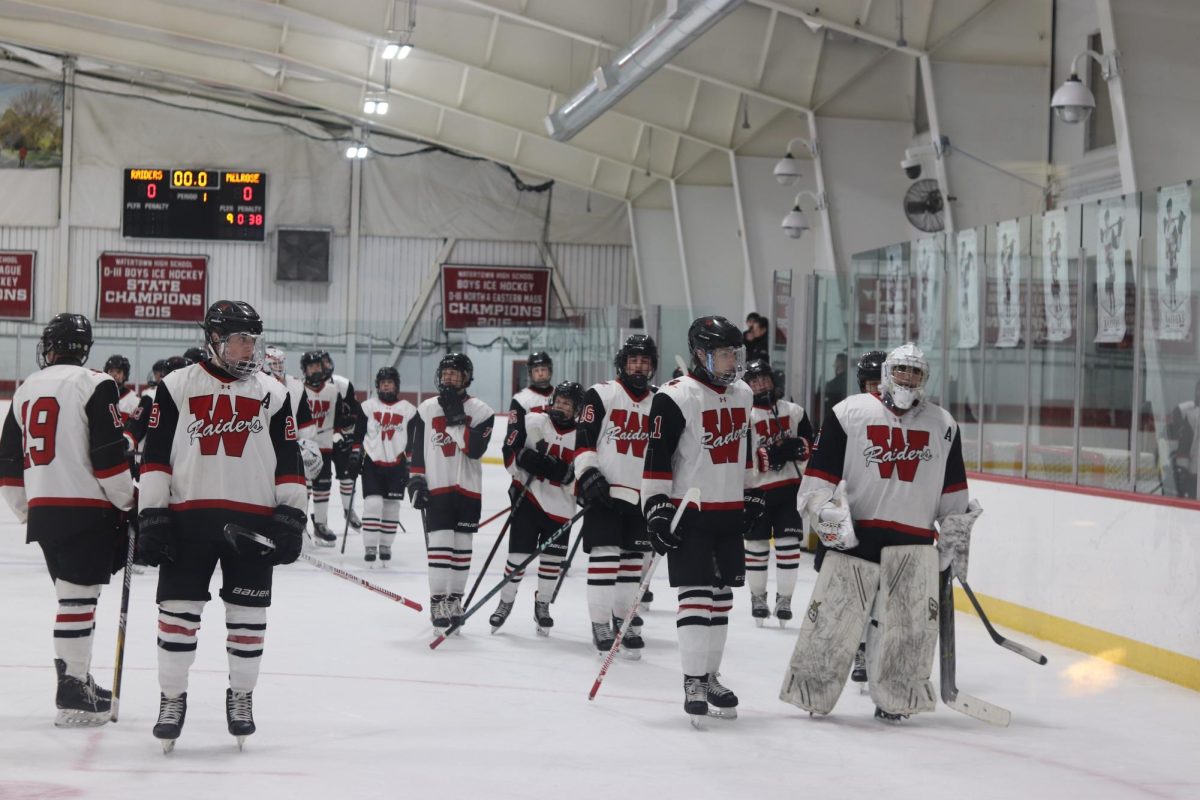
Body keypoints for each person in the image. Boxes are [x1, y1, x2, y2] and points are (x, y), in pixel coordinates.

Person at [136, 300, 305, 751]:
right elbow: (154, 457)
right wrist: (152, 514)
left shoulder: (273, 392)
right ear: (214, 339)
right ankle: (171, 699)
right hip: (188, 520)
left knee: (249, 620)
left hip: (253, 523)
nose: (248, 347)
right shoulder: (176, 386)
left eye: (253, 337)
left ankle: (243, 697)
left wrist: (290, 514)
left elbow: (289, 462)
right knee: (177, 616)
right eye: (239, 338)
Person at [780, 342, 975, 723]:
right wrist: (827, 517)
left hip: (914, 542)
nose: (908, 379)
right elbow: (817, 481)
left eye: (915, 373)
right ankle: (813, 689)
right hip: (858, 537)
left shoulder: (944, 425)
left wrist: (952, 541)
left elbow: (954, 494)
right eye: (901, 370)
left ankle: (896, 697)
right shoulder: (849, 412)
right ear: (887, 372)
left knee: (904, 629)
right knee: (834, 620)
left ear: (925, 378)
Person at [0, 313, 135, 727]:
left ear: (50, 346)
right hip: (85, 509)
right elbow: (109, 456)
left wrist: (29, 512)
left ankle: (75, 675)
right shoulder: (95, 383)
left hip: (45, 512)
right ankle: (72, 684)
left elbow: (7, 466)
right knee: (78, 599)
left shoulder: (25, 390)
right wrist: (129, 500)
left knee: (75, 598)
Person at [642, 316, 751, 724]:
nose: (731, 361)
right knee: (696, 595)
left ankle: (710, 676)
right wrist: (655, 509)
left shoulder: (742, 394)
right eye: (723, 353)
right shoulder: (675, 396)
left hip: (729, 512)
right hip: (691, 512)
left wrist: (752, 494)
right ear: (702, 354)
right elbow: (657, 459)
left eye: (733, 353)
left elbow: (746, 450)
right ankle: (692, 680)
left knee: (721, 598)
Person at [574, 334, 658, 656]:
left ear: (651, 366)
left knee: (632, 564)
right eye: (633, 360)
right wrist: (589, 473)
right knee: (605, 559)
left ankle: (623, 618)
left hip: (642, 496)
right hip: (606, 493)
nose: (639, 366)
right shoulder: (601, 394)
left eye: (645, 361)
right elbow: (583, 439)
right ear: (623, 363)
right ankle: (600, 624)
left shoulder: (660, 401)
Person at [406, 353, 495, 632]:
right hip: (437, 487)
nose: (449, 377)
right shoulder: (426, 408)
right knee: (441, 548)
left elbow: (475, 449)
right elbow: (417, 450)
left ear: (467, 378)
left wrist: (456, 417)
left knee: (462, 551)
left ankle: (455, 600)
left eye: (456, 373)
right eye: (446, 372)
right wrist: (416, 481)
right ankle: (438, 601)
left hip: (468, 489)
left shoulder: (482, 411)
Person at [490, 381, 584, 635]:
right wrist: (521, 461)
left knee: (552, 561)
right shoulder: (533, 421)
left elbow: (586, 472)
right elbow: (509, 449)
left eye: (568, 404)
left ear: (576, 410)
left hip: (561, 508)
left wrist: (569, 477)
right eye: (560, 401)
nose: (561, 407)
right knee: (517, 558)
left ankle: (542, 604)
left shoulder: (583, 436)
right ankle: (505, 602)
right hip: (529, 499)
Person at [742, 359, 812, 627]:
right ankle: (758, 597)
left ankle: (785, 599)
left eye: (764, 378)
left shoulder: (794, 411)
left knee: (788, 546)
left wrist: (799, 447)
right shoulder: (745, 415)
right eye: (755, 380)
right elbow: (743, 458)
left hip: (789, 491)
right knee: (757, 548)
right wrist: (768, 456)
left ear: (773, 380)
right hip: (756, 493)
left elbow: (812, 446)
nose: (761, 384)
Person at [297, 350, 362, 545]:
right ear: (305, 370)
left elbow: (341, 417)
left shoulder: (333, 391)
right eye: (311, 367)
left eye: (318, 366)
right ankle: (300, 526)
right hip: (304, 447)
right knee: (303, 489)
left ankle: (321, 524)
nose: (316, 370)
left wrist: (346, 424)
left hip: (325, 447)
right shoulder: (298, 389)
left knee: (323, 486)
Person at [354, 366, 416, 564]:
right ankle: (370, 545)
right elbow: (358, 433)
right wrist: (355, 455)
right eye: (382, 383)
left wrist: (411, 463)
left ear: (396, 385)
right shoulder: (368, 406)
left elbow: (414, 440)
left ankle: (386, 545)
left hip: (397, 464)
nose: (386, 386)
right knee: (373, 504)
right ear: (378, 386)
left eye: (389, 382)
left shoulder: (408, 409)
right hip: (372, 462)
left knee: (391, 508)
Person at [502, 351, 555, 480]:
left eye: (543, 369)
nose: (541, 373)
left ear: (550, 371)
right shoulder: (521, 399)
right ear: (531, 373)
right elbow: (513, 435)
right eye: (536, 370)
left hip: (557, 462)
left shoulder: (561, 396)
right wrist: (521, 458)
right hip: (531, 466)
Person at [1167, 378, 1200, 499]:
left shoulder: (1192, 415)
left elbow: (1184, 449)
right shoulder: (1190, 412)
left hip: (1193, 474)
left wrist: (1182, 471)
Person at [104, 355, 141, 423]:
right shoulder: (99, 395)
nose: (114, 375)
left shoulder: (133, 399)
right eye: (111, 371)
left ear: (125, 375)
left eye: (118, 372)